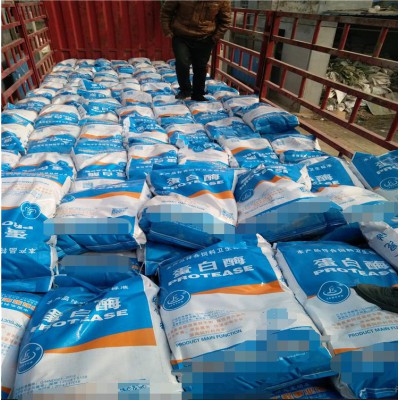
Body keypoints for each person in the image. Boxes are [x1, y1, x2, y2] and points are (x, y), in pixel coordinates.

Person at [160, 1, 231, 101]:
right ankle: (185, 90)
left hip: (205, 37)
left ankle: (198, 93)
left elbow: (225, 20)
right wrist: (167, 30)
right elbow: (166, 12)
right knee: (182, 63)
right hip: (181, 36)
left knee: (200, 67)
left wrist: (215, 37)